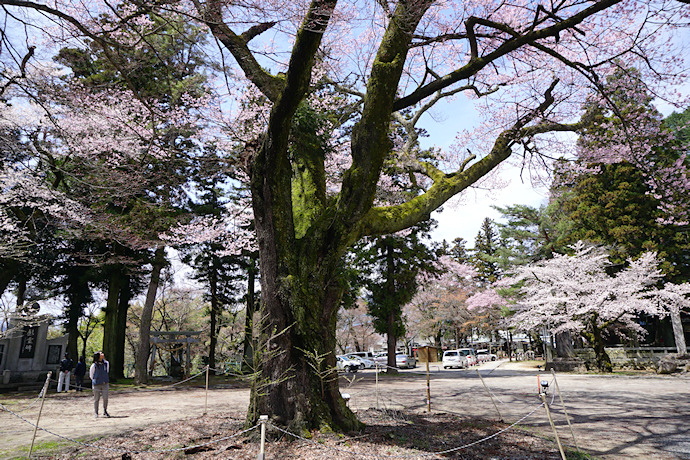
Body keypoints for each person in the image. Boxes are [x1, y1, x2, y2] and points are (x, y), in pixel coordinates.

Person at [89, 352, 110, 418]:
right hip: (97, 384)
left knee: (105, 398)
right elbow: (91, 375)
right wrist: (96, 380)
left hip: (105, 383)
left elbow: (107, 371)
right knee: (96, 398)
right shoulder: (94, 365)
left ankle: (105, 410)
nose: (102, 354)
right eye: (101, 354)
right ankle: (96, 412)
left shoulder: (106, 363)